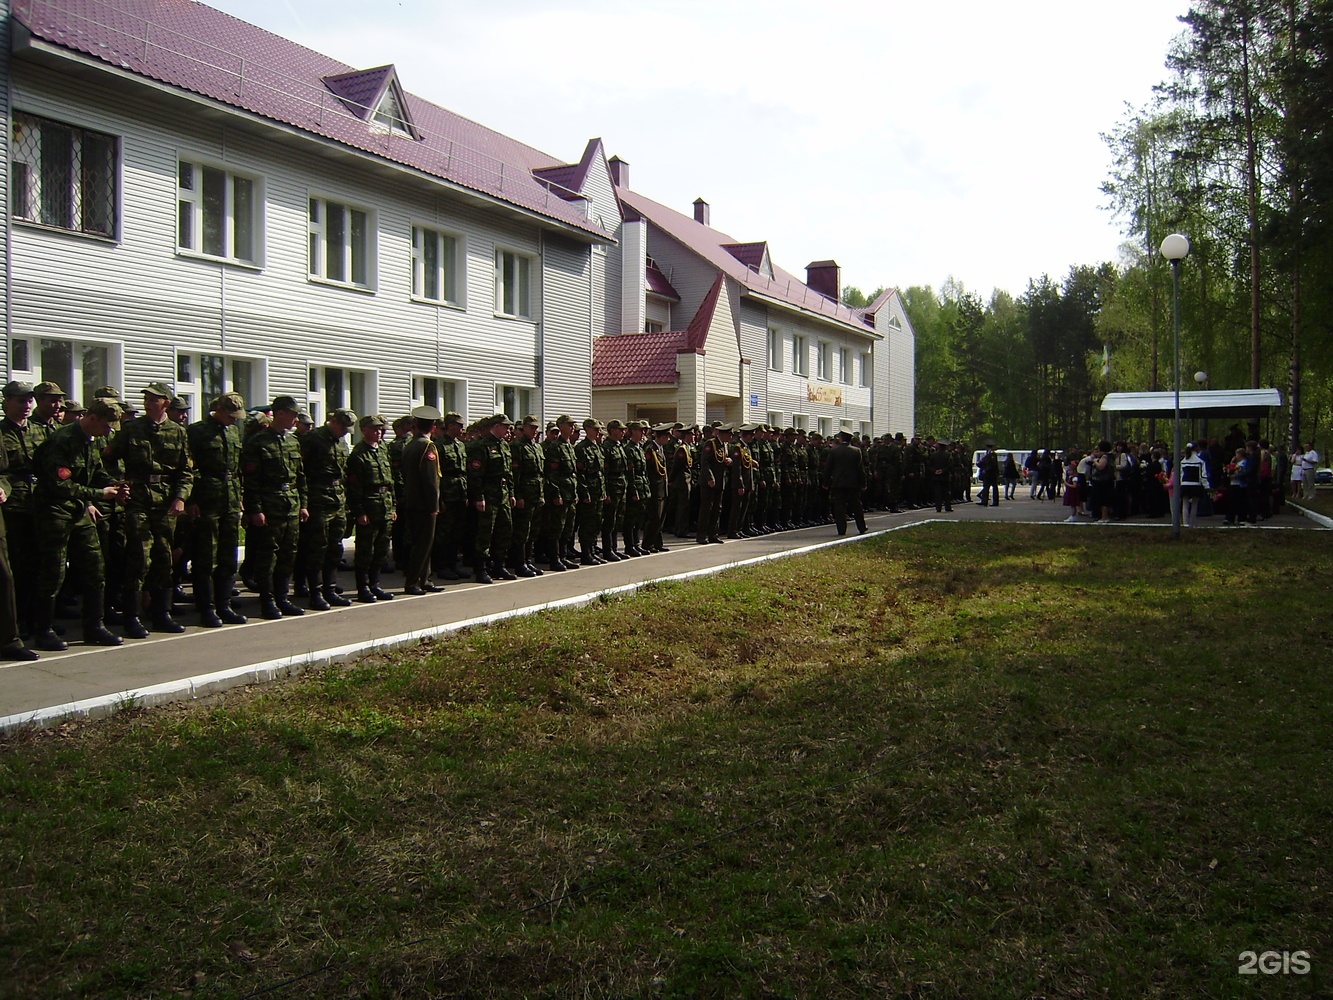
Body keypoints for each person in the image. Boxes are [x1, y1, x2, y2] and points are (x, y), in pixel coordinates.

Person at [31, 398, 130, 650]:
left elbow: (94, 472)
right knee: (53, 571)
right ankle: (43, 630)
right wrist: (100, 494)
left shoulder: (91, 440)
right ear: (93, 418)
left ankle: (94, 627)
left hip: (78, 511)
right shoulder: (62, 441)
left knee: (95, 566)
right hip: (55, 511)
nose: (109, 432)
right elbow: (60, 484)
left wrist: (116, 484)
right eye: (107, 426)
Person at [106, 383, 195, 637]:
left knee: (163, 557)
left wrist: (180, 498)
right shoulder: (131, 429)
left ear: (165, 403)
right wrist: (120, 485)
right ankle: (132, 617)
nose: (147, 403)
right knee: (139, 556)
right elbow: (108, 458)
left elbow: (185, 471)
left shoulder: (177, 432)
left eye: (154, 399)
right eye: (145, 399)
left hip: (165, 501)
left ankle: (161, 613)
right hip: (139, 499)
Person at [242, 395, 309, 618]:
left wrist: (303, 504)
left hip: (290, 504)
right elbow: (251, 480)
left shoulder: (292, 441)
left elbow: (300, 477)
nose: (296, 419)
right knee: (267, 556)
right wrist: (256, 509)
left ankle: (283, 598)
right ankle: (267, 601)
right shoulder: (259, 442)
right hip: (270, 505)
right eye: (294, 414)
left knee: (288, 555)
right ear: (280, 413)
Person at [185, 392, 248, 627]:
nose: (234, 419)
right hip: (206, 499)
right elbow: (188, 468)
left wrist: (240, 497)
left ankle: (224, 604)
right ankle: (206, 608)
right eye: (231, 415)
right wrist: (191, 500)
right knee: (205, 557)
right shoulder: (198, 431)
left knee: (228, 556)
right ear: (219, 410)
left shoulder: (233, 431)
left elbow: (237, 468)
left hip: (229, 499)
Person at [298, 407, 356, 610]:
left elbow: (344, 472)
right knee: (317, 548)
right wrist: (304, 503)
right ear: (334, 422)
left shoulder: (341, 442)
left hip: (337, 499)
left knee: (335, 547)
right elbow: (301, 473)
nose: (345, 433)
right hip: (318, 498)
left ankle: (330, 590)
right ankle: (315, 592)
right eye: (343, 428)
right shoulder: (312, 439)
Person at [345, 414, 396, 602]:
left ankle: (375, 584)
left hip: (385, 505)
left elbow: (390, 482)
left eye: (381, 429)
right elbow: (354, 487)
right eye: (375, 429)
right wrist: (359, 512)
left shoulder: (382, 449)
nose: (379, 432)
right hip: (369, 505)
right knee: (365, 551)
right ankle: (363, 587)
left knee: (382, 548)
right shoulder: (358, 454)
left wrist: (394, 507)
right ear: (364, 430)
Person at [467, 414, 516, 584]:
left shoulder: (504, 445)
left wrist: (511, 493)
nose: (508, 430)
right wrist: (479, 497)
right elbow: (475, 476)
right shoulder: (482, 446)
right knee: (485, 533)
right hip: (488, 494)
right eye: (505, 426)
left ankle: (499, 565)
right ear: (496, 426)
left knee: (505, 530)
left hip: (502, 494)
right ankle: (481, 569)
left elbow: (508, 473)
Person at [400, 406, 442, 595]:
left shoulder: (410, 444)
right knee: (423, 543)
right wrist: (434, 505)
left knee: (423, 542)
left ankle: (424, 578)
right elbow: (430, 479)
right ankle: (413, 581)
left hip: (413, 499)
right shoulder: (427, 447)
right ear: (433, 428)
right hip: (423, 503)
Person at [823, 431, 868, 535]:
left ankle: (841, 529)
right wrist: (863, 483)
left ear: (841, 439)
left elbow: (828, 469)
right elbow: (860, 470)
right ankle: (861, 527)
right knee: (856, 506)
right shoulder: (856, 451)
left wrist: (826, 482)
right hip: (853, 483)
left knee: (839, 506)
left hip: (838, 482)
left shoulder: (834, 451)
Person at [1176, 442, 1210, 528]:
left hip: (1185, 484)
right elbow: (1202, 475)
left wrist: (1180, 484)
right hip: (1196, 484)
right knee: (1194, 504)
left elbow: (1180, 475)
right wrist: (1206, 486)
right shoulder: (1200, 461)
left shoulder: (1183, 461)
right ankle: (1192, 523)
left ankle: (1185, 523)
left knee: (1185, 504)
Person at [929, 440, 952, 512]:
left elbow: (929, 465)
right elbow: (950, 466)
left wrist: (935, 471)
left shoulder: (933, 455)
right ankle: (947, 507)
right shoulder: (948, 455)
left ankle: (938, 507)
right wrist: (943, 470)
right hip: (945, 476)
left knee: (937, 493)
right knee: (946, 492)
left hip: (936, 476)